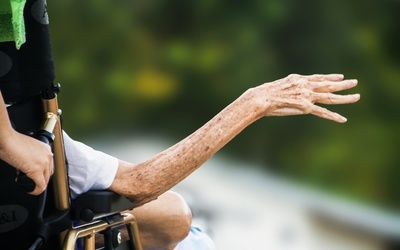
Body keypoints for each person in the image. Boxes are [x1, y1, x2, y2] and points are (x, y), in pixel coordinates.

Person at [0, 0, 360, 249]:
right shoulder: (33, 136)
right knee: (181, 225)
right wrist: (254, 102)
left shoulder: (35, 128)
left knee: (174, 216)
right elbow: (142, 184)